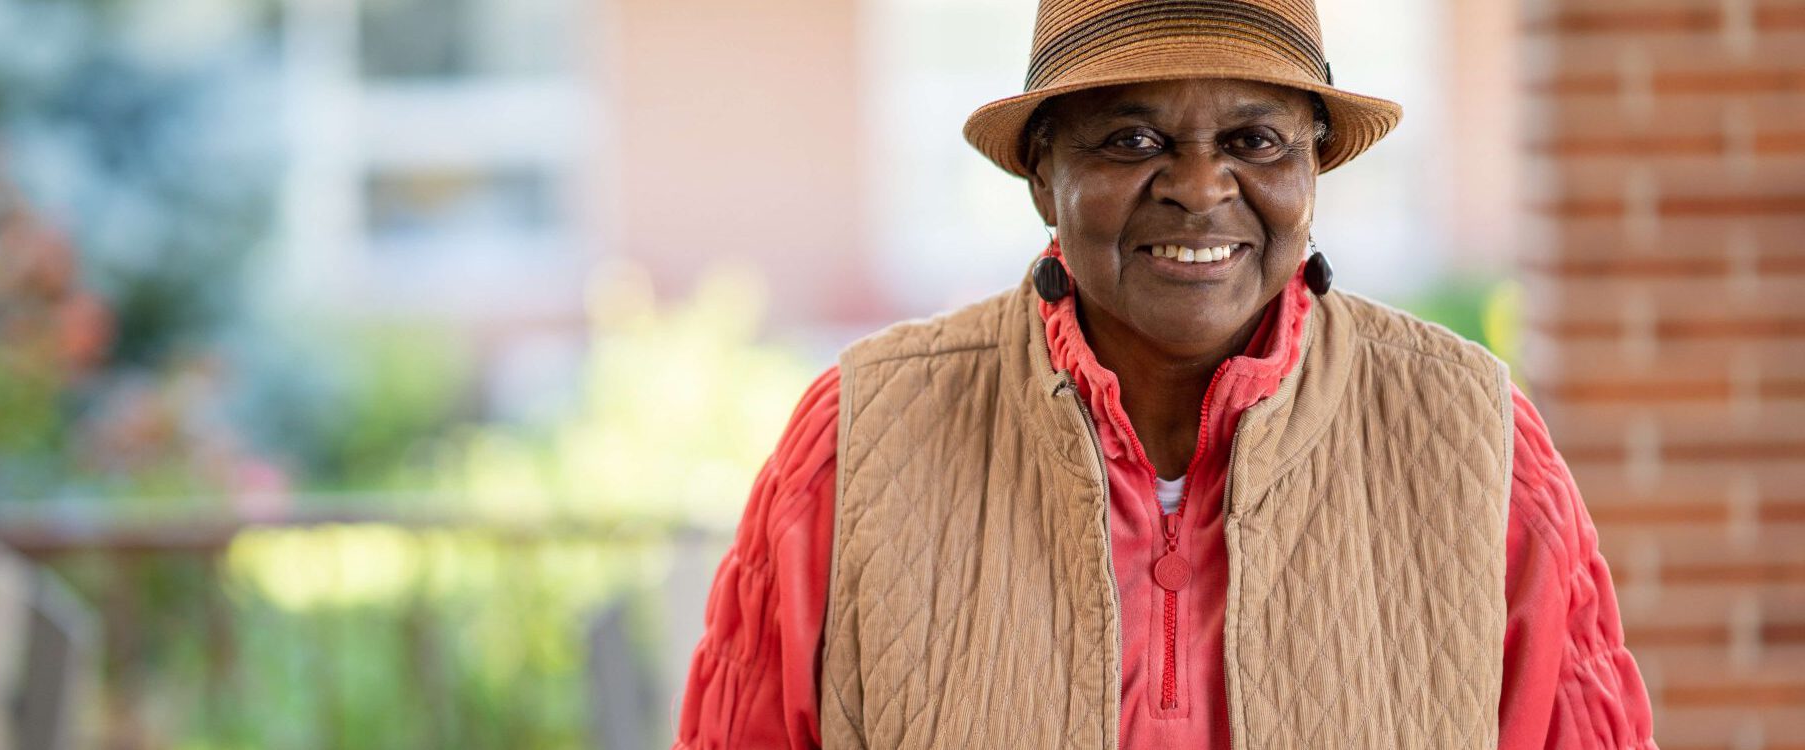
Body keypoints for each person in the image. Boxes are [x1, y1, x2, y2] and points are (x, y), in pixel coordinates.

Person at [675, 0, 1658, 747]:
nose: (1197, 186)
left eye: (1252, 139)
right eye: (1130, 138)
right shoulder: (862, 435)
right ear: (1040, 176)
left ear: (1311, 167)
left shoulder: (1470, 438)